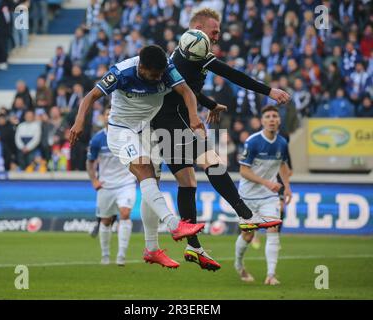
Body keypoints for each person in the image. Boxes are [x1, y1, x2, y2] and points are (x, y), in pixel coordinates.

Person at [151, 8, 290, 271]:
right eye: (214, 30)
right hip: (175, 121)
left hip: (165, 121)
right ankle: (246, 214)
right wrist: (268, 90)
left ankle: (193, 245)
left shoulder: (183, 50)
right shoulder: (197, 49)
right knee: (212, 162)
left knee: (187, 181)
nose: (218, 35)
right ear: (199, 28)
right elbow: (233, 75)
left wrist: (210, 104)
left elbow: (185, 88)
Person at [69, 45, 206, 269]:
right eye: (153, 75)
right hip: (121, 130)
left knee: (152, 184)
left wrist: (193, 116)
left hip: (146, 130)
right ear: (141, 67)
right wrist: (79, 121)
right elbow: (90, 97)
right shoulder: (121, 72)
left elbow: (187, 92)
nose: (158, 78)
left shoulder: (167, 69)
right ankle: (174, 224)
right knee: (145, 170)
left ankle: (151, 249)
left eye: (160, 74)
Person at [234, 105, 292, 286]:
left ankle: (271, 274)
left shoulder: (282, 143)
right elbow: (244, 171)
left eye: (275, 116)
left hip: (269, 196)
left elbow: (283, 165)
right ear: (262, 121)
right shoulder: (253, 142)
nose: (272, 119)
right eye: (268, 116)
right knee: (248, 236)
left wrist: (287, 187)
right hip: (248, 196)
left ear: (279, 120)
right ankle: (238, 264)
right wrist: (267, 182)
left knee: (272, 229)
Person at [86, 108, 136, 266]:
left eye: (112, 113)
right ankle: (105, 255)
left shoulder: (127, 136)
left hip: (126, 183)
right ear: (103, 117)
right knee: (106, 221)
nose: (110, 116)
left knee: (125, 213)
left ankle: (121, 255)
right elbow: (90, 162)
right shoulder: (97, 139)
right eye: (107, 113)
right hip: (106, 185)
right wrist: (94, 180)